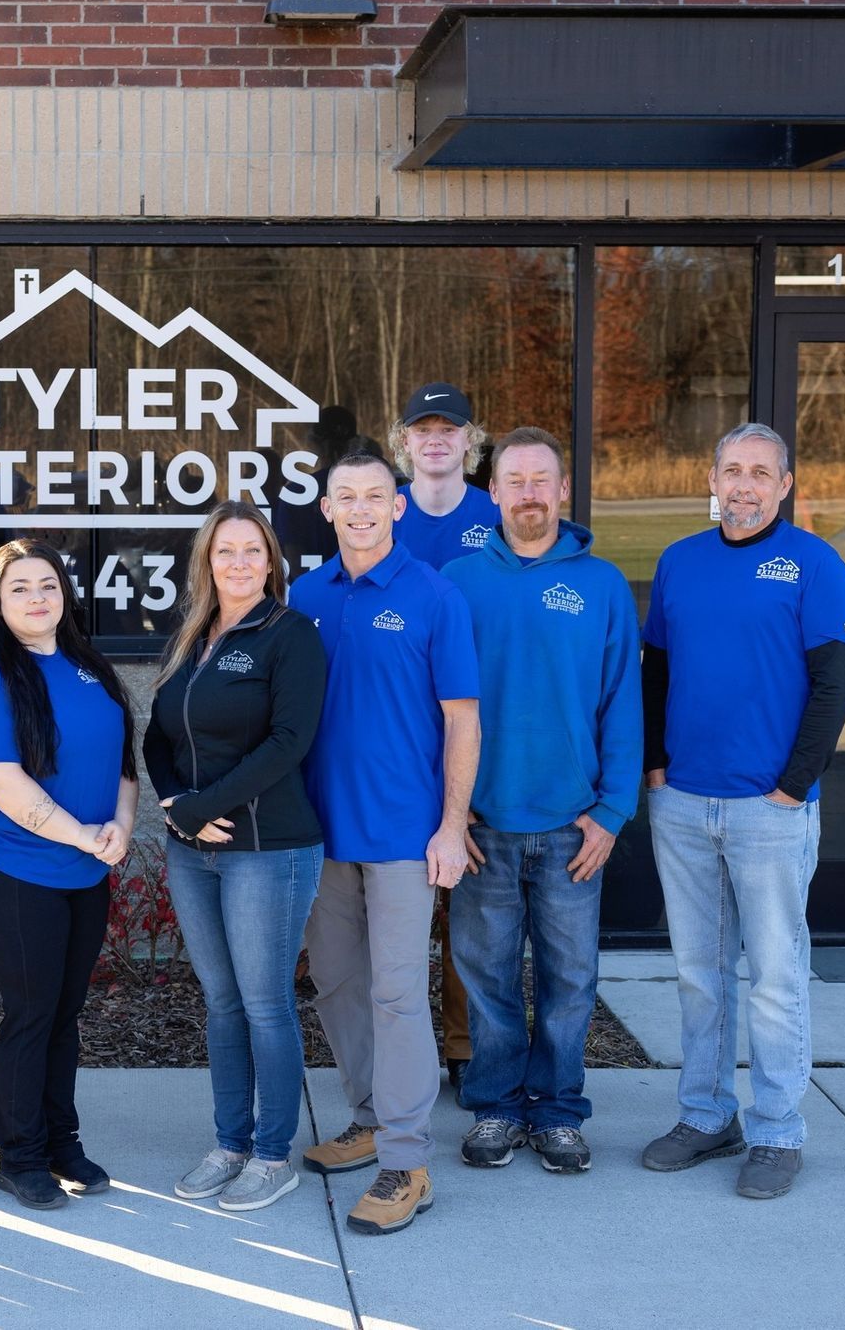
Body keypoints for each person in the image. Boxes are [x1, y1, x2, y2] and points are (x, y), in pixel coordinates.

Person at [638, 422, 845, 1200]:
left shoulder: (814, 565)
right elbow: (656, 672)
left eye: (760, 473)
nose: (743, 485)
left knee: (773, 976)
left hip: (771, 809)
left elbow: (835, 686)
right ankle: (705, 1117)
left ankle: (776, 1131)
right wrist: (655, 768)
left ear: (785, 484)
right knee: (701, 975)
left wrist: (793, 787)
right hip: (685, 802)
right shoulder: (679, 563)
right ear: (711, 475)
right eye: (732, 469)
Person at [441, 427, 641, 1175]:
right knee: (486, 979)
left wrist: (613, 811)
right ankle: (495, 1106)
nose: (528, 492)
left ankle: (556, 1111)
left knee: (570, 982)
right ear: (491, 493)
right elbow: (434, 709)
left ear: (563, 491)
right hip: (482, 827)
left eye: (541, 480)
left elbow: (623, 705)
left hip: (570, 826)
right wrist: (449, 816)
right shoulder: (458, 582)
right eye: (513, 480)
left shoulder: (602, 587)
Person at [290, 451, 480, 1237]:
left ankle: (407, 1162)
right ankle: (368, 1119)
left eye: (375, 496)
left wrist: (453, 825)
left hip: (405, 835)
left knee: (399, 995)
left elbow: (462, 719)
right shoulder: (303, 596)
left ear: (398, 506)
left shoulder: (436, 596)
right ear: (327, 509)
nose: (361, 509)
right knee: (336, 983)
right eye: (346, 497)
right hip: (320, 835)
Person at [144, 501, 327, 1213]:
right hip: (193, 850)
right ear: (207, 561)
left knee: (264, 1004)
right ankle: (230, 1141)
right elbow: (157, 732)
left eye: (254, 550)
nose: (240, 563)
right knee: (221, 1004)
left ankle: (273, 1154)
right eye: (226, 551)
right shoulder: (191, 635)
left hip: (267, 849)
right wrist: (174, 802)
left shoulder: (291, 635)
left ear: (271, 560)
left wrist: (199, 804)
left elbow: (290, 741)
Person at [0, 540, 137, 1212]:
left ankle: (63, 1142)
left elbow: (124, 761)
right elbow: (3, 783)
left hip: (87, 868)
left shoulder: (89, 666)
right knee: (31, 1013)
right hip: (17, 869)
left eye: (48, 585)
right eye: (20, 588)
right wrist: (83, 835)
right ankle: (21, 1156)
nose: (37, 598)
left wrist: (118, 825)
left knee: (67, 1012)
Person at [387, 380, 497, 1096]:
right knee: (391, 908)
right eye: (421, 429)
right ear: (405, 444)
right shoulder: (383, 513)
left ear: (468, 442)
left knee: (468, 909)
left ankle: (464, 1044)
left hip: (467, 732)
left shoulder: (496, 516)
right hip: (396, 738)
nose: (435, 440)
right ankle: (397, 1049)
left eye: (447, 429)